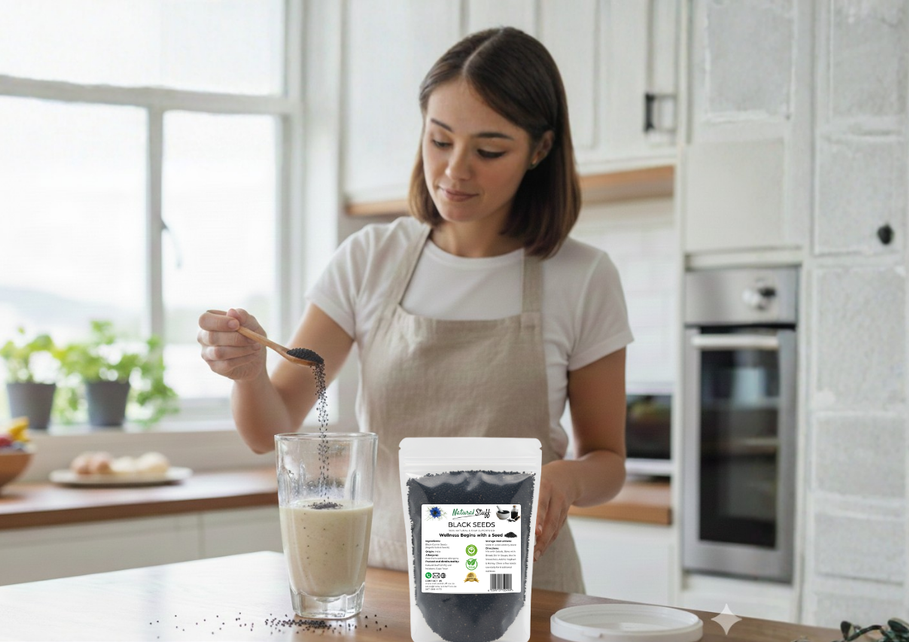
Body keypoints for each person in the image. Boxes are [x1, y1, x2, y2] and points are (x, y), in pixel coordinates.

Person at [197, 27, 631, 594]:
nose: (455, 170)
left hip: (524, 591)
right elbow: (268, 429)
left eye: (489, 150)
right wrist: (248, 373)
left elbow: (608, 460)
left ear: (539, 150)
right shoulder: (370, 260)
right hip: (386, 586)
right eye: (440, 140)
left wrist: (568, 479)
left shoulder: (582, 277)